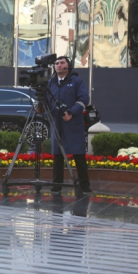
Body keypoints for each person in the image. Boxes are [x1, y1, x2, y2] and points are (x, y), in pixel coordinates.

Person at [47, 56, 91, 194]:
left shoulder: (76, 81)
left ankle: (85, 186)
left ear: (68, 65)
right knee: (58, 155)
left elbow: (84, 98)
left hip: (72, 123)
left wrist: (72, 112)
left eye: (62, 63)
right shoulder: (50, 83)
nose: (58, 65)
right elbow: (46, 100)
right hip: (57, 123)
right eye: (56, 63)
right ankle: (57, 185)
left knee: (78, 154)